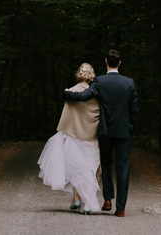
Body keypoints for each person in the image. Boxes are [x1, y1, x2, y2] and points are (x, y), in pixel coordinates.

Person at [66, 49, 137, 217]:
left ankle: (107, 199)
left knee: (105, 165)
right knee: (123, 168)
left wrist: (67, 93)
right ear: (119, 63)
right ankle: (120, 208)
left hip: (105, 131)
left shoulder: (100, 81)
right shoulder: (129, 83)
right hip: (123, 132)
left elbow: (83, 96)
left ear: (106, 62)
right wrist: (130, 128)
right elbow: (134, 110)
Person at [39, 62, 103, 214]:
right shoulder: (95, 93)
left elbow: (68, 116)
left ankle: (76, 199)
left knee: (75, 167)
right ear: (92, 75)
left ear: (79, 74)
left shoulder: (71, 92)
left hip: (74, 135)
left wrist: (66, 134)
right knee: (88, 168)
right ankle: (87, 202)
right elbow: (98, 114)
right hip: (91, 136)